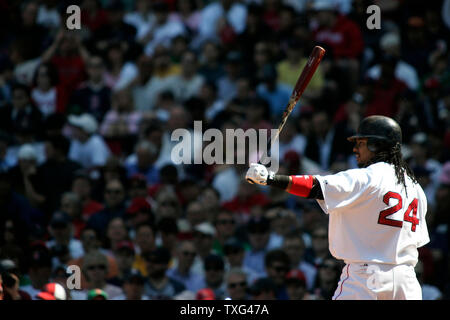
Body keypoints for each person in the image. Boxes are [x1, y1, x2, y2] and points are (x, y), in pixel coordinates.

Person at [246, 115, 430, 300]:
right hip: (407, 282)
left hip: (366, 278)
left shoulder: (367, 177)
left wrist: (270, 179)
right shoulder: (415, 188)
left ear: (376, 145)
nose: (355, 148)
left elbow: (316, 186)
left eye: (361, 142)